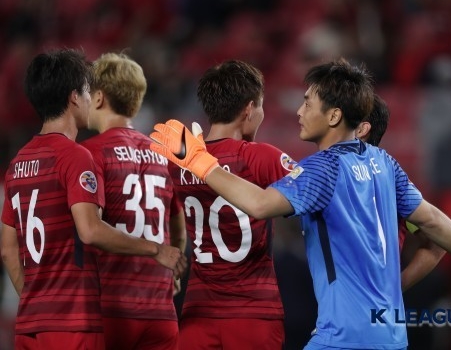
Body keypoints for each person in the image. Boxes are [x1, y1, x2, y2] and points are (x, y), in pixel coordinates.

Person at [150, 58, 451, 350]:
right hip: (391, 336)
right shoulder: (385, 164)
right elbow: (433, 222)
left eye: (308, 102)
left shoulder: (319, 170)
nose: (300, 110)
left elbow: (259, 205)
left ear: (334, 116)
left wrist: (200, 162)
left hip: (342, 338)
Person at [0, 48, 185, 350]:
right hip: (109, 314)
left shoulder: (18, 163)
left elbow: (8, 250)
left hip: (41, 319)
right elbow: (91, 230)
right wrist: (161, 253)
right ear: (75, 97)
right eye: (86, 90)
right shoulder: (80, 157)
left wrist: (36, 302)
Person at [168, 59, 295, 349]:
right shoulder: (260, 157)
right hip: (253, 313)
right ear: (249, 108)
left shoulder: (180, 163)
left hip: (197, 314)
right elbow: (318, 191)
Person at [80, 52, 187, 350]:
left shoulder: (89, 153)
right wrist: (172, 267)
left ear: (99, 97)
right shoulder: (162, 154)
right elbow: (178, 227)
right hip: (160, 312)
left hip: (110, 308)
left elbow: (90, 228)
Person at [356, 94, 446, 291]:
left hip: (370, 312)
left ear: (361, 129)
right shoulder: (327, 173)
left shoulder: (391, 186)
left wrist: (396, 287)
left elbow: (437, 241)